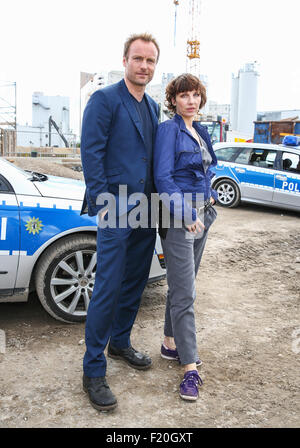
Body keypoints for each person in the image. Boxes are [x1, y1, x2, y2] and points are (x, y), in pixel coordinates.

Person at [80, 33, 160, 411]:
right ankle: (92, 369)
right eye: (138, 58)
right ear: (125, 60)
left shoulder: (153, 106)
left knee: (135, 280)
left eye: (150, 61)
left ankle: (120, 342)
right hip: (116, 205)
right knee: (108, 285)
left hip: (147, 208)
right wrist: (102, 203)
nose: (144, 66)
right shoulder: (105, 99)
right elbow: (91, 151)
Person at [153, 73, 218, 402]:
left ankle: (169, 344)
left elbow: (206, 170)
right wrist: (187, 214)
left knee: (182, 284)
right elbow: (163, 178)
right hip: (182, 219)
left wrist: (208, 203)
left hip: (203, 214)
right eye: (184, 95)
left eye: (195, 95)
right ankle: (190, 369)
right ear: (174, 100)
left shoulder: (201, 131)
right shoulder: (168, 130)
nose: (190, 100)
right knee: (186, 293)